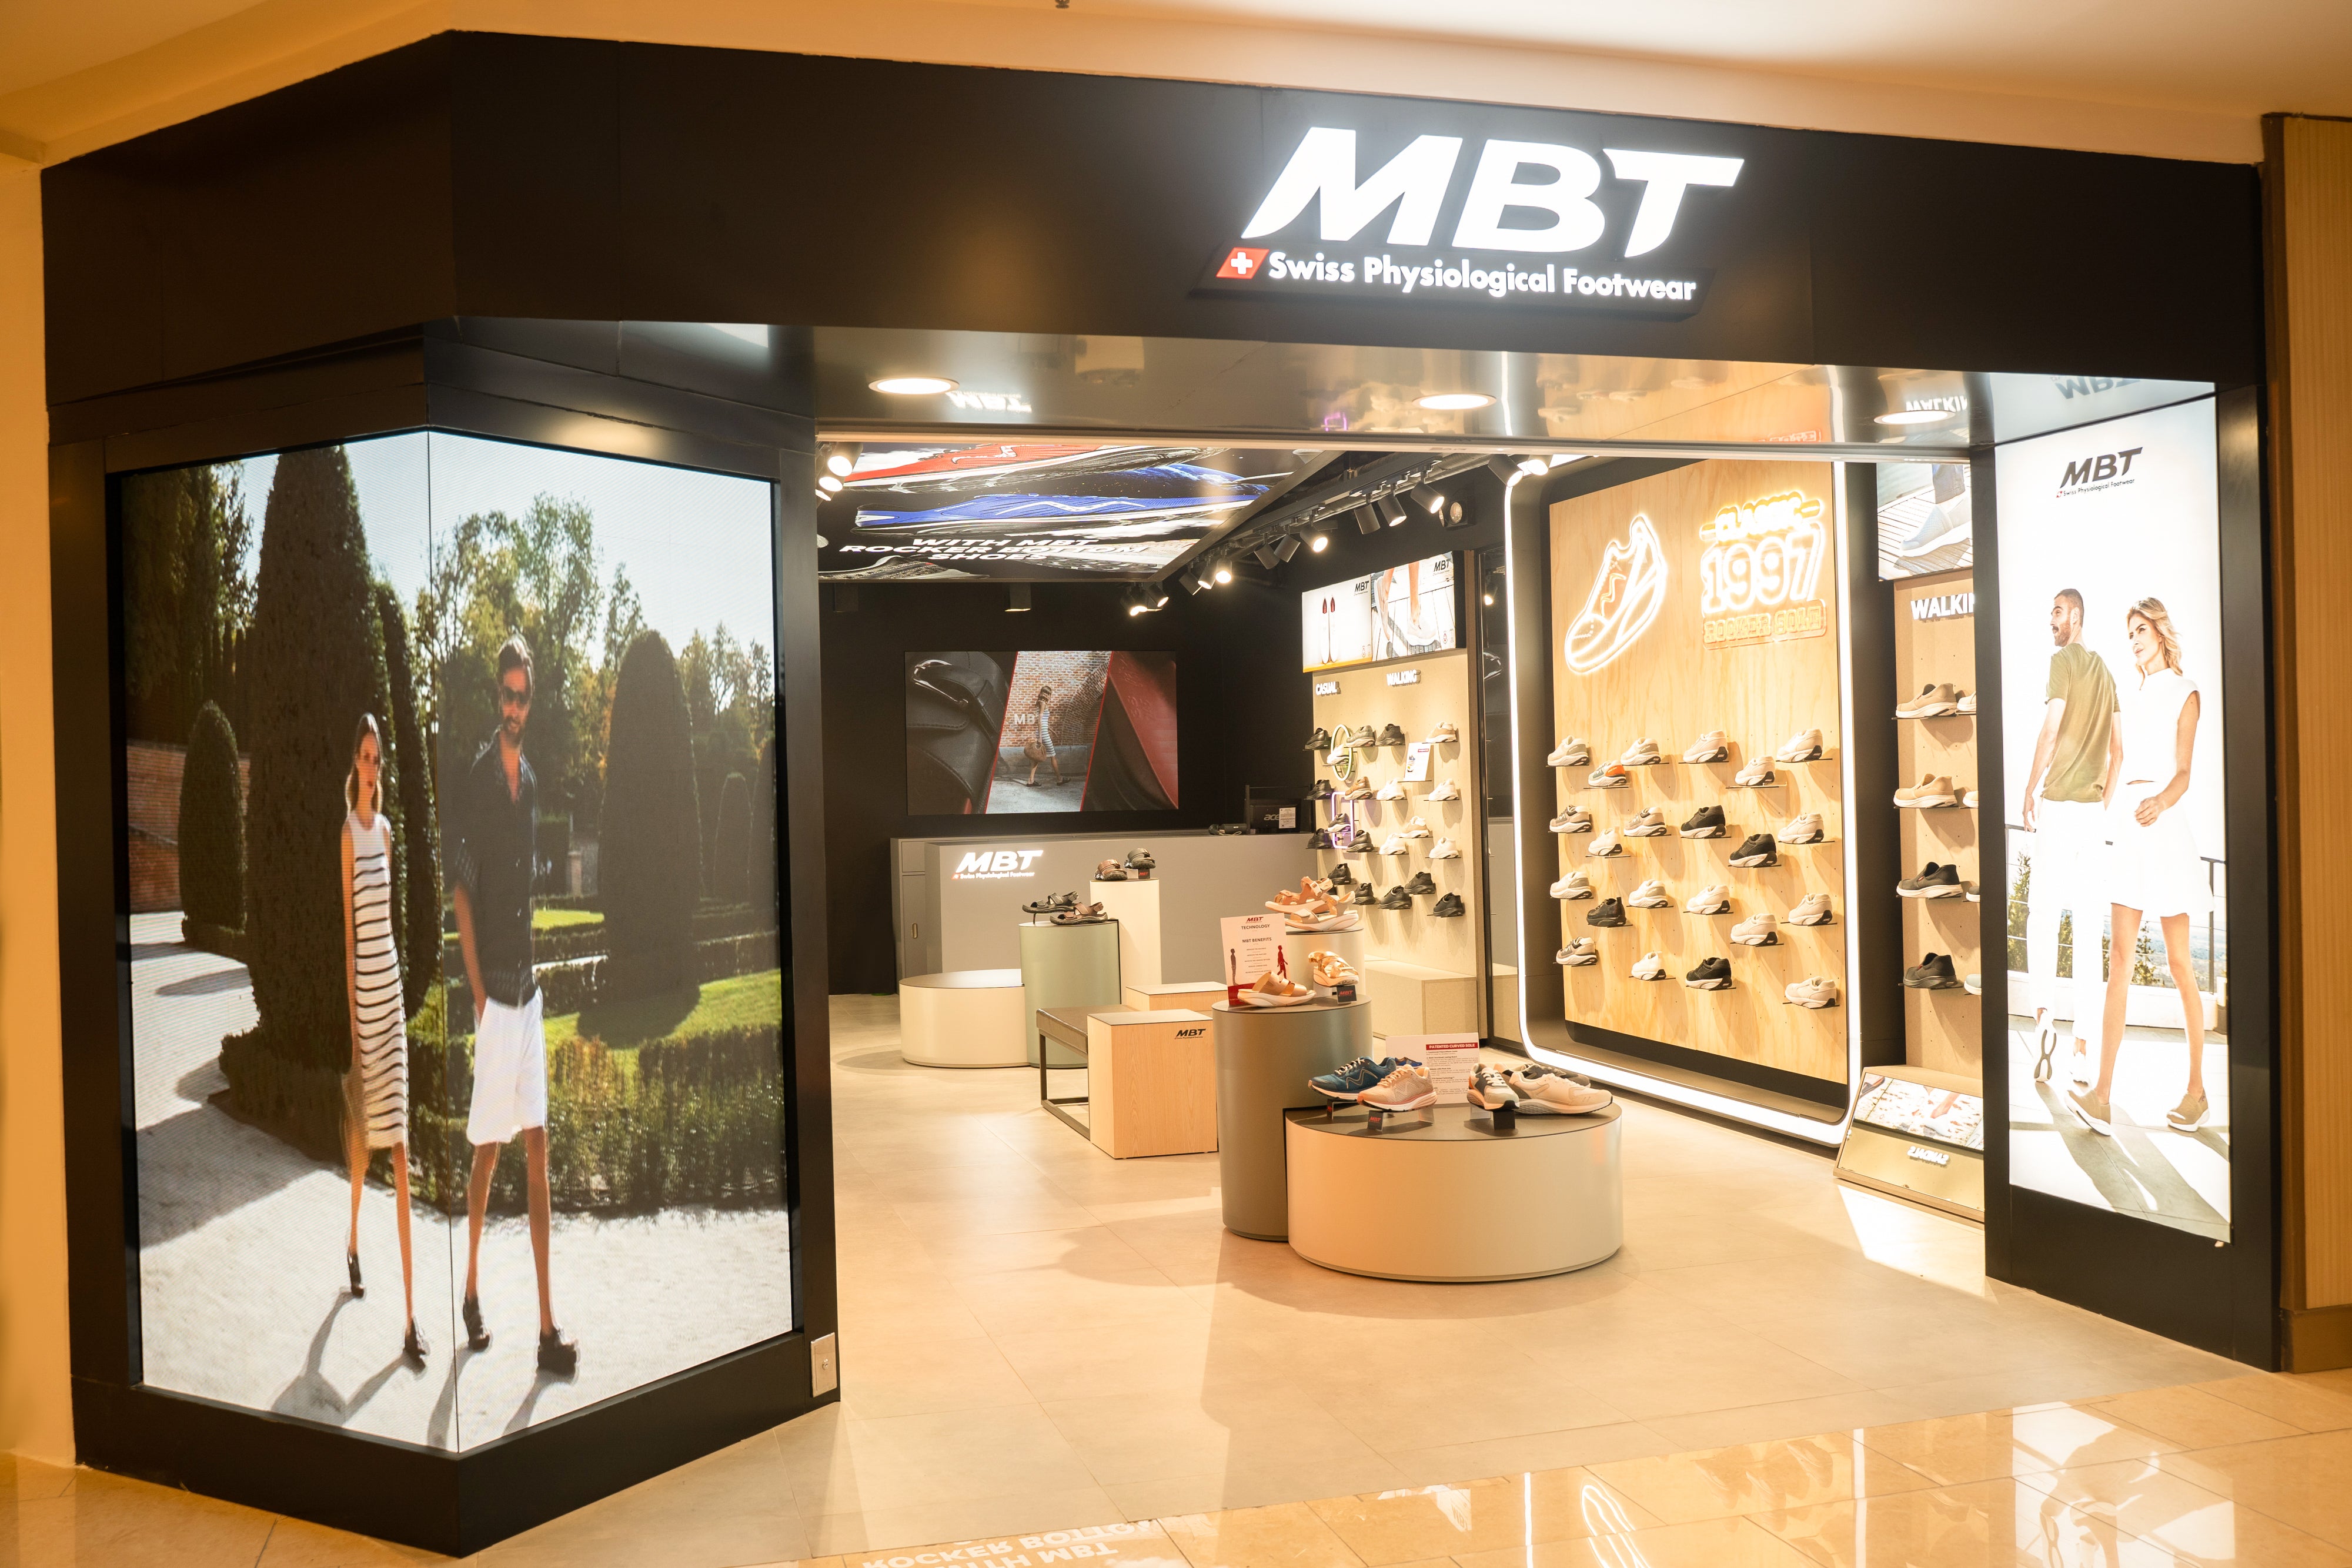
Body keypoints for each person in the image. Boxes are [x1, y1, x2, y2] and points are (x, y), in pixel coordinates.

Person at [450, 635, 578, 1375]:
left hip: (528, 998)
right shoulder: (477, 778)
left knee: (537, 1149)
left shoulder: (530, 783)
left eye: (523, 696)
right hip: (494, 1001)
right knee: (487, 1154)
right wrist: (476, 994)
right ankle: (470, 1288)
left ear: (533, 702)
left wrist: (515, 995)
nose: (514, 706)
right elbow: (462, 892)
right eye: (506, 693)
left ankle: (547, 1329)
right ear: (495, 695)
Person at [2070, 599, 2210, 1136]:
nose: (2134, 639)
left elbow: (2184, 773)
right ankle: (2102, 1096)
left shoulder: (2186, 690)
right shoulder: (2128, 695)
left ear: (2161, 632)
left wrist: (2162, 803)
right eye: (2129, 632)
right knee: (2120, 959)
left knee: (2179, 963)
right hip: (2129, 827)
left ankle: (2197, 1092)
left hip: (2165, 825)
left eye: (2142, 629)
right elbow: (2117, 763)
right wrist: (2096, 818)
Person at [340, 714, 425, 1366]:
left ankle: (411, 1320)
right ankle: (351, 1239)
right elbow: (350, 935)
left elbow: (390, 923)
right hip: (363, 1004)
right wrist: (352, 1019)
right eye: (364, 757)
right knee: (365, 1148)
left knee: (400, 1148)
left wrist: (392, 994)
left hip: (390, 996)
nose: (371, 766)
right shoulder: (348, 834)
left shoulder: (389, 833)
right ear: (355, 764)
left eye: (377, 757)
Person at [2019, 588, 2119, 1088]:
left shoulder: (2064, 662)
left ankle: (2043, 1019)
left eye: (2057, 611)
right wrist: (2101, 804)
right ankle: (2082, 1052)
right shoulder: (2107, 674)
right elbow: (2118, 753)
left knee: (2043, 915)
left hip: (2059, 806)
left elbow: (2051, 731)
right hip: (2092, 816)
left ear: (2075, 615)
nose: (2051, 620)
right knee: (2087, 930)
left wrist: (2029, 788)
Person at [1020, 684, 1064, 787]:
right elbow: (1040, 721)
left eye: (1049, 694)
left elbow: (1044, 721)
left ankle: (1031, 781)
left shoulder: (1040, 703)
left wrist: (1052, 730)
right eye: (1046, 693)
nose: (1048, 696)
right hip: (1043, 733)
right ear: (1043, 693)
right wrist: (1040, 737)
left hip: (1043, 732)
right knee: (1053, 756)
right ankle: (1059, 779)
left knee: (1037, 757)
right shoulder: (1043, 704)